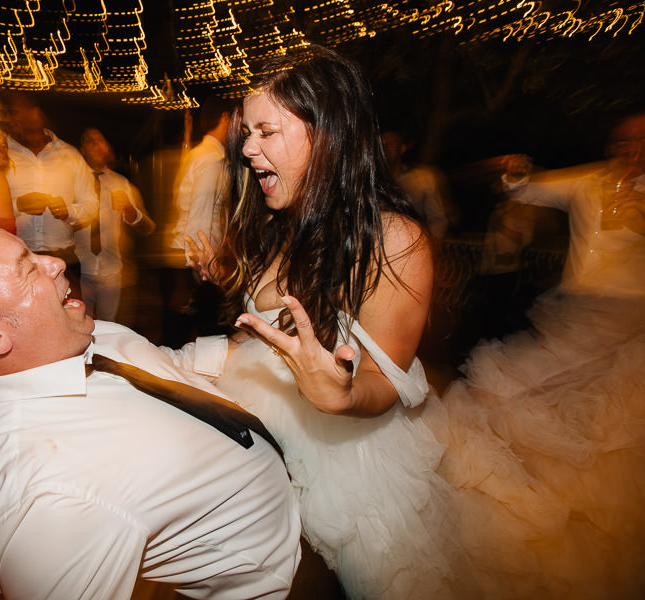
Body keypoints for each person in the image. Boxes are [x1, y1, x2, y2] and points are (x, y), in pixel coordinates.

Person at [0, 219, 302, 600]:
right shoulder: (48, 499)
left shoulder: (77, 332)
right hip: (292, 578)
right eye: (27, 268)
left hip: (304, 495)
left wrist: (258, 340)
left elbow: (169, 369)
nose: (54, 262)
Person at [186, 46, 470, 599]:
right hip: (260, 439)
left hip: (342, 468)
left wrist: (339, 397)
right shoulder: (278, 221)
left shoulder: (393, 240)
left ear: (330, 133)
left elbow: (387, 382)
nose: (247, 148)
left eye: (266, 131)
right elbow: (275, 327)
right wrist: (229, 279)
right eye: (247, 132)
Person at [425, 110, 645, 598]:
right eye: (622, 142)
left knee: (617, 436)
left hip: (635, 327)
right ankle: (529, 522)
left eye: (641, 142)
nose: (630, 152)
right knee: (531, 410)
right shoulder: (591, 179)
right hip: (579, 314)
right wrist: (514, 173)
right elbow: (526, 190)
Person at [1, 92, 98, 298]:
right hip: (14, 259)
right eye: (10, 113)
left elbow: (91, 205)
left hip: (64, 259)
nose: (13, 119)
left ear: (38, 113)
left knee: (70, 318)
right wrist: (17, 206)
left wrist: (68, 212)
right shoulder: (2, 154)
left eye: (17, 111)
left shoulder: (71, 156)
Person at [162, 96, 237, 348]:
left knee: (187, 332)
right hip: (197, 261)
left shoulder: (199, 154)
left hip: (189, 259)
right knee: (208, 333)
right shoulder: (211, 160)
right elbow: (201, 215)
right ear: (226, 118)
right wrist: (201, 266)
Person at [75, 126, 155, 323]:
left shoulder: (122, 184)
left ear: (107, 147)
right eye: (89, 141)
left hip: (113, 272)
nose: (95, 144)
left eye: (99, 140)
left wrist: (130, 211)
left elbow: (148, 228)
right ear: (82, 150)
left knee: (110, 330)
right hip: (79, 270)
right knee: (77, 327)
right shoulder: (72, 182)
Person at [381, 130, 452, 240]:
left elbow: (438, 221)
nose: (384, 148)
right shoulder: (370, 181)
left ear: (402, 148)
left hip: (412, 246)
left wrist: (427, 249)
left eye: (389, 144)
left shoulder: (422, 179)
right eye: (381, 145)